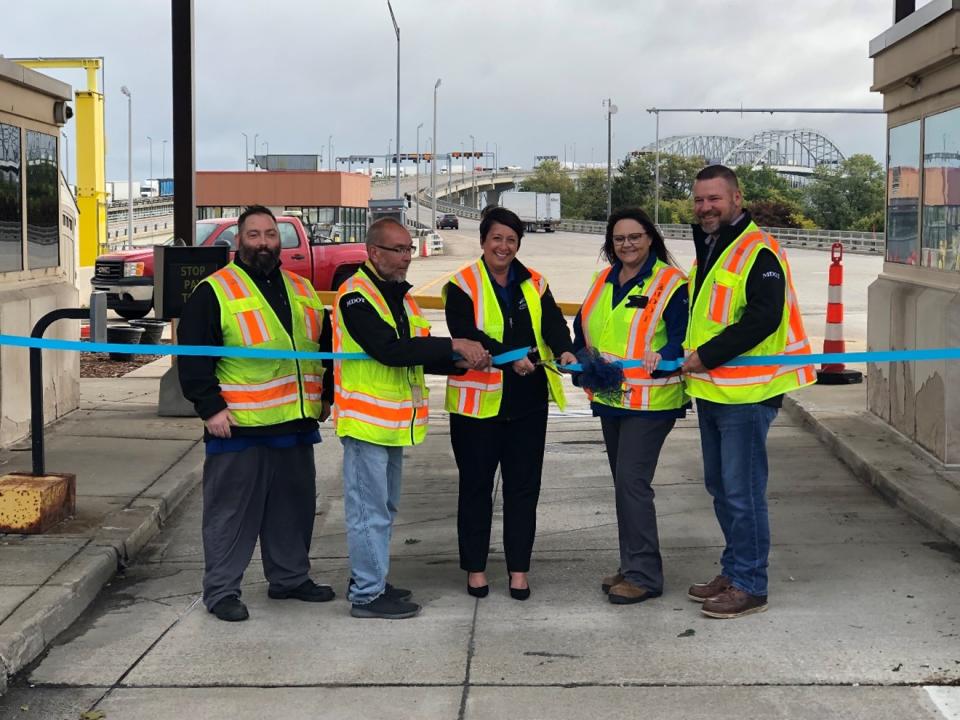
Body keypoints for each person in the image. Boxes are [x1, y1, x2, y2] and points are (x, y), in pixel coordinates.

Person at [178, 205, 335, 622]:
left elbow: (322, 348)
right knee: (229, 514)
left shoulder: (302, 288)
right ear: (238, 241)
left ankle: (290, 578)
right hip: (240, 426)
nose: (264, 242)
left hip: (295, 423)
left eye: (270, 234)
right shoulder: (215, 291)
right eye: (254, 235)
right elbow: (192, 357)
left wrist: (325, 398)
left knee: (293, 509)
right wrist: (210, 408)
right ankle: (222, 590)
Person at [334, 218, 490, 619]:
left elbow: (413, 354)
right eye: (398, 250)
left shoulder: (401, 298)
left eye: (408, 249)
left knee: (382, 507)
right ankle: (367, 595)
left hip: (393, 424)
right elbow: (388, 350)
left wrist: (458, 364)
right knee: (368, 511)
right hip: (367, 423)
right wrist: (453, 344)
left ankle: (370, 578)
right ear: (373, 252)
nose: (406, 257)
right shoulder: (356, 295)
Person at [682, 165, 815, 619]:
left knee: (743, 492)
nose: (705, 208)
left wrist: (706, 355)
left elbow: (763, 318)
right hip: (716, 391)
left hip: (747, 394)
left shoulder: (758, 251)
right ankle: (734, 569)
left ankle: (751, 584)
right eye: (700, 200)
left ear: (737, 199)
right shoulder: (713, 247)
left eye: (715, 199)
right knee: (721, 488)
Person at [443, 206, 576, 601]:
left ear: (519, 243)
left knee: (523, 489)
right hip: (476, 409)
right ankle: (476, 569)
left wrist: (566, 351)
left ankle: (519, 570)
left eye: (511, 239)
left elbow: (553, 323)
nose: (504, 246)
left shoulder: (535, 282)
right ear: (483, 241)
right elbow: (465, 333)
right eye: (497, 238)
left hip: (527, 403)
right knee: (475, 489)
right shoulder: (462, 284)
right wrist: (508, 355)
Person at [572, 207, 688, 605]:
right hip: (610, 397)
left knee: (633, 484)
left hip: (652, 401)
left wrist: (666, 352)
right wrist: (576, 354)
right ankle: (631, 564)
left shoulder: (670, 283)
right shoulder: (603, 280)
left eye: (635, 236)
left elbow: (681, 334)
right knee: (624, 486)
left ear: (650, 238)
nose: (627, 244)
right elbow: (583, 325)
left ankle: (645, 575)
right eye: (619, 239)